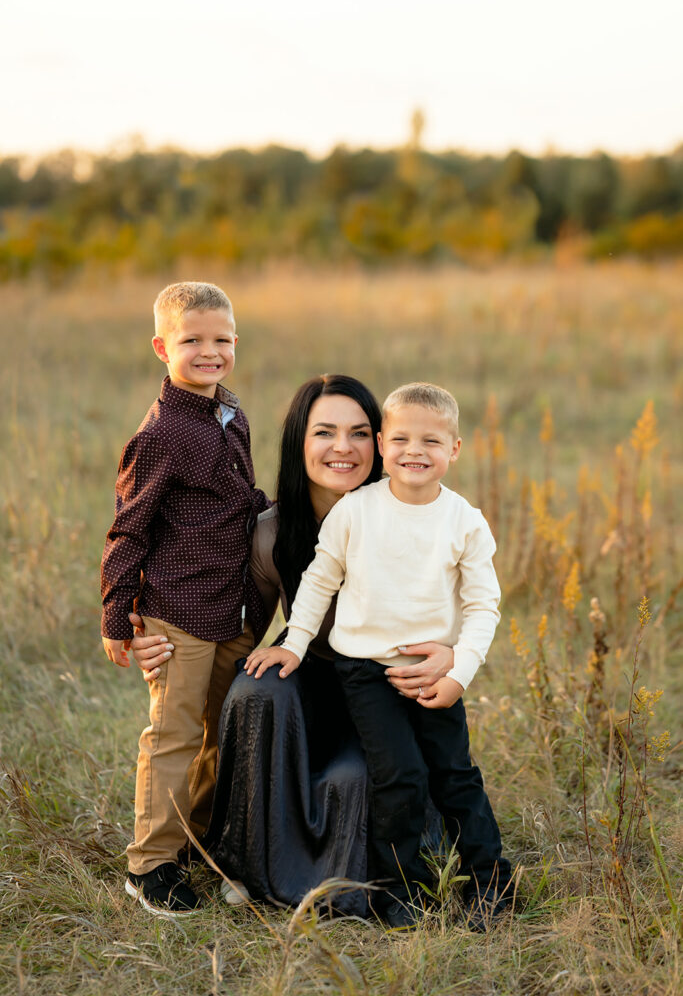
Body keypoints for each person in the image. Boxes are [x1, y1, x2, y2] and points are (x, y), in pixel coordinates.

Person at [131, 375, 457, 917]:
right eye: (323, 432)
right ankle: (245, 862)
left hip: (384, 687)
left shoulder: (419, 517)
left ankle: (351, 881)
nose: (342, 448)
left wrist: (449, 653)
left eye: (358, 433)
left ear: (380, 443)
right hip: (310, 674)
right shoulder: (272, 532)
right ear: (298, 443)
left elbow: (461, 609)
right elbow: (233, 632)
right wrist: (159, 646)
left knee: (351, 782)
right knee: (254, 690)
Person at [247, 382, 512, 930]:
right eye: (402, 439)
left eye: (432, 441)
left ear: (455, 449)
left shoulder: (465, 521)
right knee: (400, 776)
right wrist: (293, 644)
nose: (416, 451)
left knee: (457, 777)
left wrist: (460, 670)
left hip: (432, 673)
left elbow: (484, 605)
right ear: (383, 447)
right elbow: (320, 580)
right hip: (365, 672)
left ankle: (490, 883)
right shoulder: (356, 511)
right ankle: (401, 892)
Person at [101, 281, 269, 917]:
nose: (210, 352)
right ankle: (150, 864)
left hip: (234, 609)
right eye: (193, 340)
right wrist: (119, 617)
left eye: (222, 339)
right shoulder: (162, 432)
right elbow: (130, 526)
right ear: (161, 346)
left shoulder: (231, 412)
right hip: (178, 613)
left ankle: (196, 841)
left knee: (221, 733)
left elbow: (240, 500)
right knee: (172, 735)